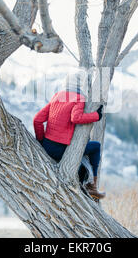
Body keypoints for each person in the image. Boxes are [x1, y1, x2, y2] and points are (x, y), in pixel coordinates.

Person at [33, 72, 106, 200]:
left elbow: (37, 120)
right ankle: (92, 187)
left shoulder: (57, 96)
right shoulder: (79, 98)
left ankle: (84, 183)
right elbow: (76, 118)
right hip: (62, 150)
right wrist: (96, 116)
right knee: (95, 147)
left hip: (47, 146)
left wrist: (41, 141)